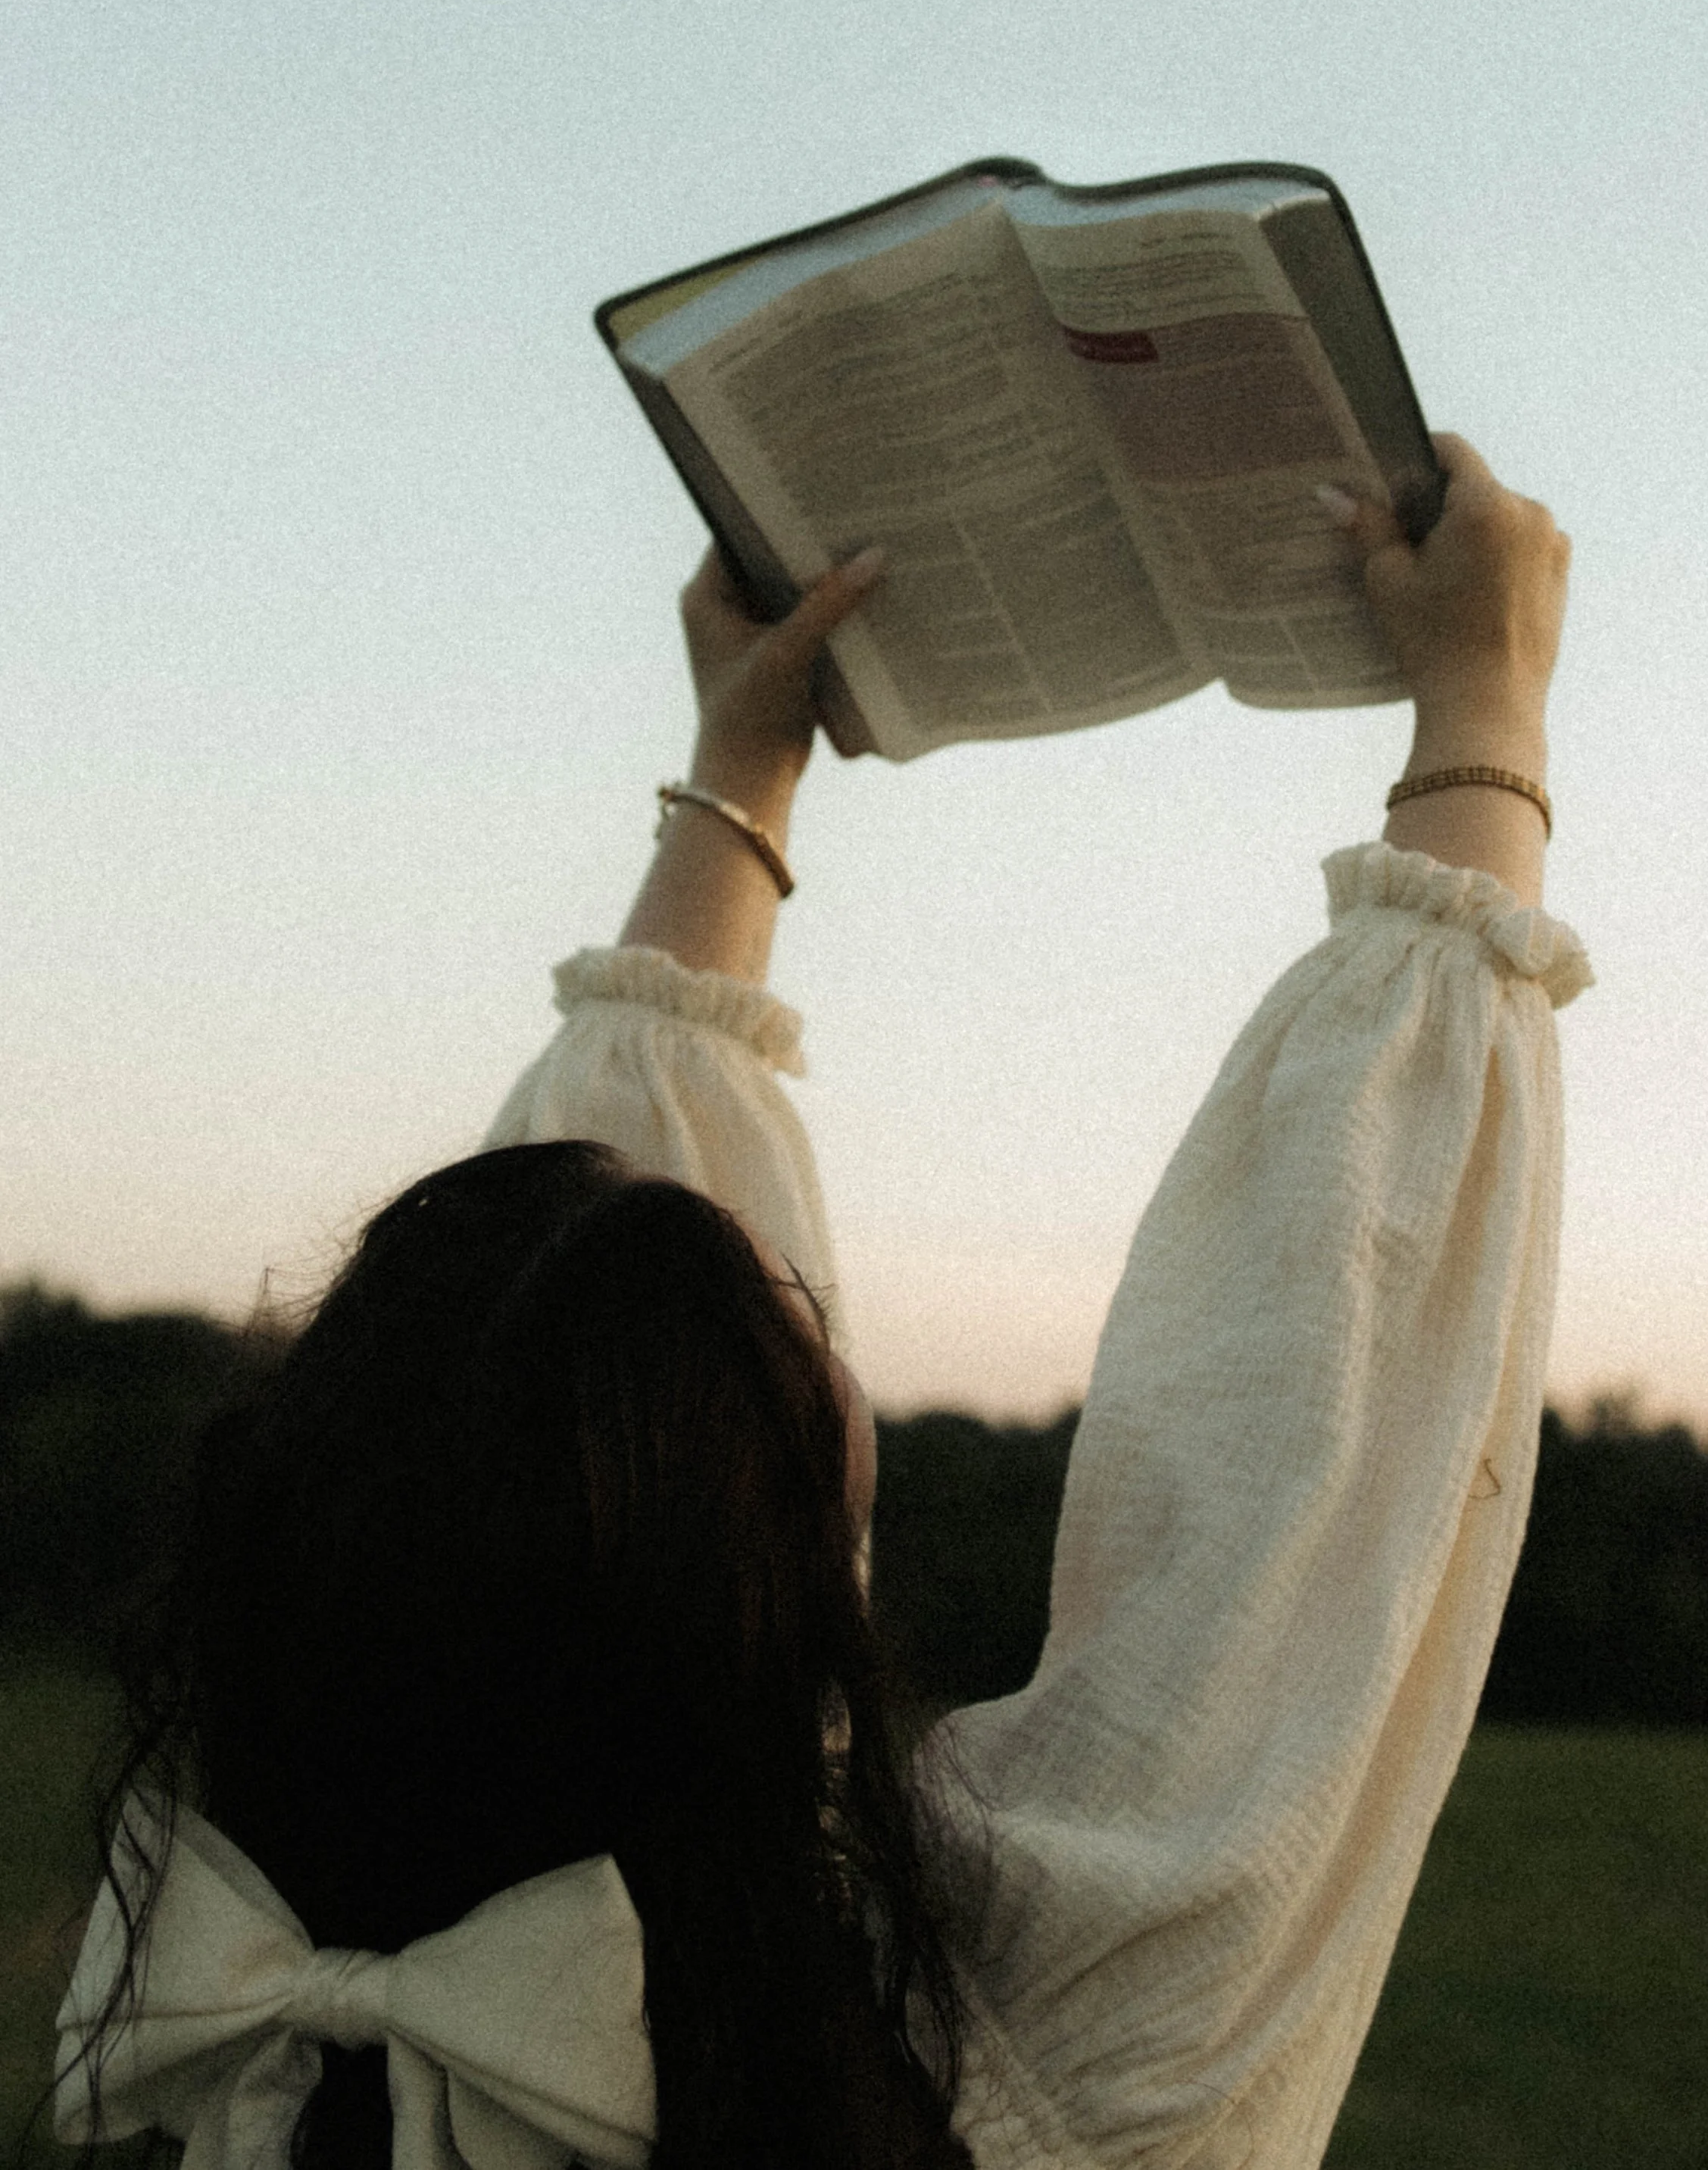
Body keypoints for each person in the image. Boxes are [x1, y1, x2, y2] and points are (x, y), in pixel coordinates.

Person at [59, 435, 1587, 2170]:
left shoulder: (256, 2019)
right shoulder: (998, 2063)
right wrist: (1486, 714)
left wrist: (739, 775)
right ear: (772, 1552)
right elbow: (1313, 1461)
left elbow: (556, 1345)